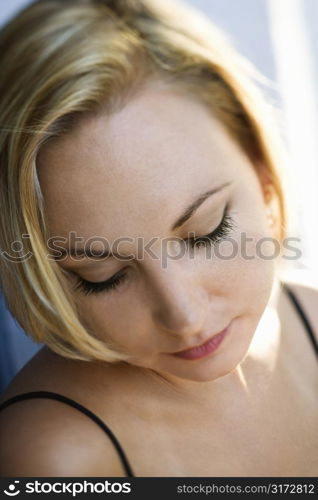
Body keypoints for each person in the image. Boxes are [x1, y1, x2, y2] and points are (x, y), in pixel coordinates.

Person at [0, 0, 317, 478]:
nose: (184, 317)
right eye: (103, 277)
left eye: (208, 230)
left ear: (261, 173)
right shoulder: (53, 458)